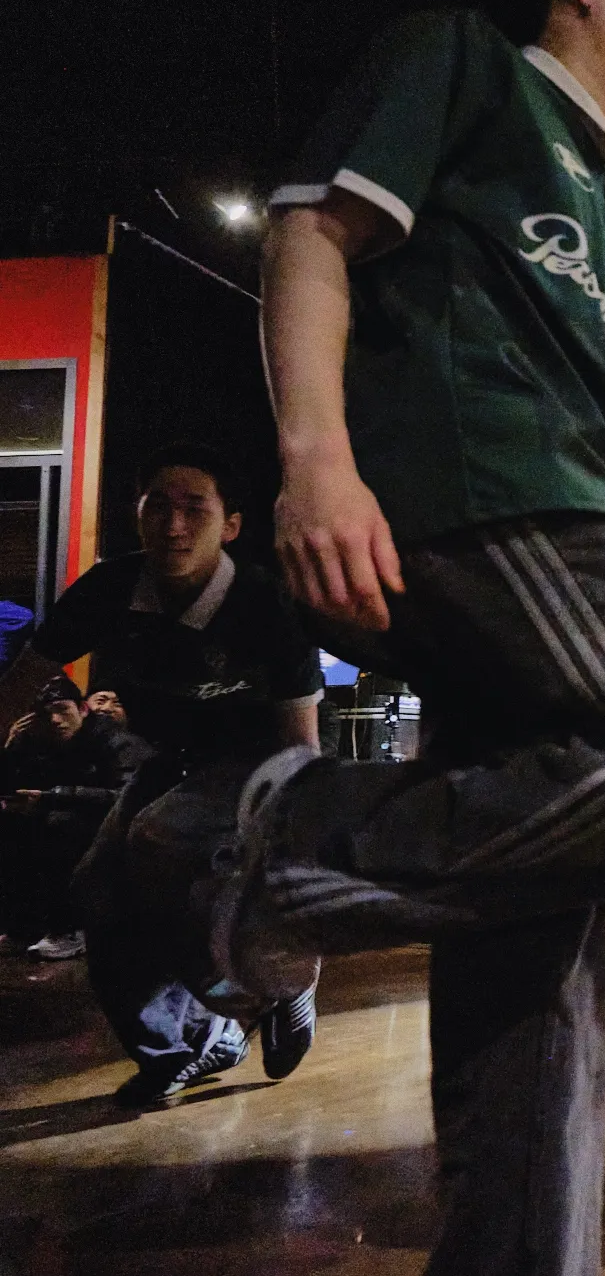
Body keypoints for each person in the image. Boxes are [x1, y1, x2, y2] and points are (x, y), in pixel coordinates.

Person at [244, 0, 605, 1272]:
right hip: (499, 494)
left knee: (570, 914)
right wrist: (316, 459)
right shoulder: (462, 59)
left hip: (569, 507)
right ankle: (277, 846)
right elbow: (310, 235)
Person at [0, 445, 321, 1106]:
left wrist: (294, 838)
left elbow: (300, 741)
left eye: (194, 509)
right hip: (169, 760)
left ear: (231, 525)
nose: (173, 526)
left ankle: (280, 980)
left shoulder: (265, 603)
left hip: (256, 764)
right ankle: (192, 1043)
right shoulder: (110, 590)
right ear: (137, 515)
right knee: (96, 886)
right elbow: (23, 680)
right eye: (158, 508)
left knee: (159, 840)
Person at [0, 676, 148, 961]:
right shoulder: (41, 741)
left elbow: (129, 796)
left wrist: (54, 797)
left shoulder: (116, 741)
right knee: (12, 824)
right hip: (72, 813)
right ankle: (21, 928)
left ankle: (70, 929)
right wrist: (11, 746)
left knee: (60, 825)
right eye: (47, 714)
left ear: (82, 709)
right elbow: (16, 784)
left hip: (123, 825)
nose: (55, 720)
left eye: (62, 710)